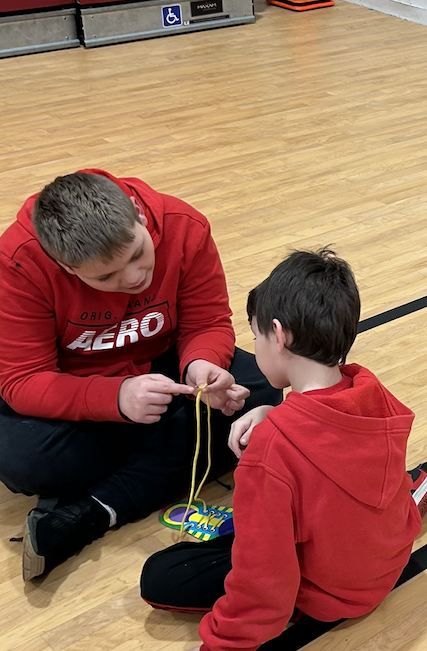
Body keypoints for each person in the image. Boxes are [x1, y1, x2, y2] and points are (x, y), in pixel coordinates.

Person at [142, 248, 427, 651]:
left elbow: (263, 583)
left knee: (160, 576)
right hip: (385, 564)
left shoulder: (271, 452)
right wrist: (275, 414)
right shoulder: (369, 389)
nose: (254, 349)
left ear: (278, 335)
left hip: (329, 596)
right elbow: (326, 430)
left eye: (254, 337)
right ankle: (416, 487)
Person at [0, 170, 282, 581]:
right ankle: (160, 453)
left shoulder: (185, 225)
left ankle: (95, 509)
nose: (133, 279)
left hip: (165, 368)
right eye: (104, 277)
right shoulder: (18, 262)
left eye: (137, 254)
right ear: (63, 264)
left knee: (260, 391)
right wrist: (115, 399)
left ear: (138, 214)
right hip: (75, 382)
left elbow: (208, 320)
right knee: (22, 461)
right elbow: (22, 380)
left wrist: (203, 365)